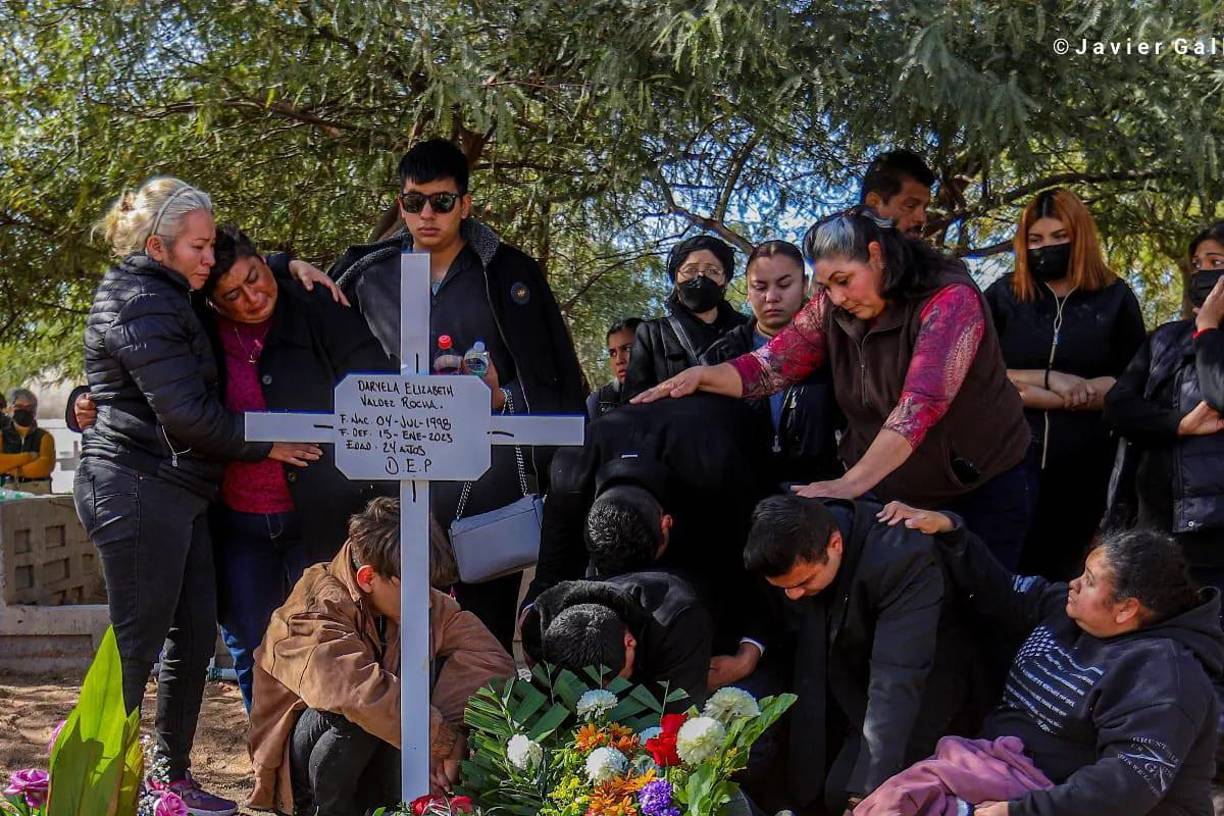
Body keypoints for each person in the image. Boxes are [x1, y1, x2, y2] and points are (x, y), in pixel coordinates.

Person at [79, 178, 320, 815]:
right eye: (199, 247)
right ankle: (92, 782)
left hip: (174, 491)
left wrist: (278, 263)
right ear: (158, 247)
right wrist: (265, 443)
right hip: (135, 489)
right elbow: (185, 414)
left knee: (190, 637)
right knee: (137, 645)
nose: (210, 259)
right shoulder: (140, 303)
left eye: (213, 244)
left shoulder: (167, 288)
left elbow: (235, 265)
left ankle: (168, 778)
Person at [636, 207, 1033, 569]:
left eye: (844, 280)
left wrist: (850, 484)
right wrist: (701, 376)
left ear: (877, 256)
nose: (837, 297)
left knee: (982, 607)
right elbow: (772, 364)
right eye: (827, 286)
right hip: (893, 490)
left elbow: (919, 406)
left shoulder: (949, 299)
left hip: (980, 487)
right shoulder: (832, 305)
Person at [318, 138, 586, 649]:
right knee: (391, 636)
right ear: (400, 204)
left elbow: (555, 379)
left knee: (479, 641)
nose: (427, 214)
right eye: (413, 201)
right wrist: (291, 268)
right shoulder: (365, 276)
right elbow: (316, 353)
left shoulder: (508, 275)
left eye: (442, 201)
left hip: (487, 485)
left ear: (465, 204)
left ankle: (479, 729)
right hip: (392, 485)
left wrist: (500, 399)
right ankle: (399, 731)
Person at [877, 503, 1222, 816]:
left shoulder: (1165, 675)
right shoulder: (1065, 607)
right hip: (994, 770)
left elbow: (1124, 788)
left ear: (1126, 609)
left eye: (1089, 582)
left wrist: (1017, 811)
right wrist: (951, 531)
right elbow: (1001, 591)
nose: (1073, 584)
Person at [200, 225, 395, 710]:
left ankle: (316, 760)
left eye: (256, 276)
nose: (253, 295)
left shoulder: (313, 301)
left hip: (318, 511)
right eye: (233, 294)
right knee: (253, 642)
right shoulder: (196, 329)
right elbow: (184, 406)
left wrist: (285, 262)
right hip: (238, 521)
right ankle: (270, 763)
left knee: (328, 639)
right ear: (213, 303)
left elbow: (375, 385)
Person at [248, 498, 514, 816]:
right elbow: (357, 693)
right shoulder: (314, 609)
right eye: (414, 588)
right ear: (367, 578)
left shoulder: (409, 591)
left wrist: (443, 735)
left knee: (410, 691)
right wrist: (440, 739)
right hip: (304, 768)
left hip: (376, 751)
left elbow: (490, 659)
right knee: (361, 709)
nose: (426, 601)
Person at [744, 494, 981, 815]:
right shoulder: (791, 532)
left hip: (918, 687)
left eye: (804, 582)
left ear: (835, 544)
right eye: (784, 587)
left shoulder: (901, 559)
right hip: (841, 674)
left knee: (841, 793)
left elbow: (897, 681)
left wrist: (865, 795)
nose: (794, 596)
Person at [524, 393, 776, 688]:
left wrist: (749, 651)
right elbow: (553, 563)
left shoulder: (718, 462)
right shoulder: (572, 468)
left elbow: (757, 560)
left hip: (716, 465)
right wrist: (535, 627)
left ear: (667, 524)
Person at [985, 189, 1146, 581]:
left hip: (1085, 468)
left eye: (1059, 237)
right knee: (999, 572)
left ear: (1080, 236)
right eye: (1035, 240)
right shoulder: (1004, 295)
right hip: (1007, 460)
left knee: (1063, 578)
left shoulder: (1115, 297)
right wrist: (1050, 381)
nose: (1047, 248)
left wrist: (1060, 396)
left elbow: (1133, 379)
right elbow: (979, 370)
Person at [1104, 221, 1224, 604]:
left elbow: (1219, 392)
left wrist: (1208, 331)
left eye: (1216, 261)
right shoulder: (1164, 339)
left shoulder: (1205, 335)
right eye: (1198, 263)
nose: (1204, 272)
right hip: (1156, 524)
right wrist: (1179, 425)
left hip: (1215, 528)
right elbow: (1118, 406)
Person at [704, 240, 844, 482]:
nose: (771, 297)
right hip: (743, 496)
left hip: (818, 492)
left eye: (784, 284)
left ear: (805, 285)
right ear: (747, 292)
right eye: (759, 287)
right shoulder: (721, 356)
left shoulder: (834, 348)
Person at [525, 573, 713, 708]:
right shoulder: (539, 625)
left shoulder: (678, 622)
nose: (599, 699)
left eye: (610, 685)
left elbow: (677, 711)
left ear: (629, 642)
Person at [623, 235, 750, 398]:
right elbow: (634, 403)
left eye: (712, 271)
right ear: (676, 278)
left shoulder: (748, 329)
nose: (700, 278)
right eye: (690, 270)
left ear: (725, 280)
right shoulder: (651, 333)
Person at [860, 149, 936, 239]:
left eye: (925, 209)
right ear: (874, 203)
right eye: (910, 206)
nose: (922, 219)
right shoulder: (843, 249)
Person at [0, 388, 56, 494]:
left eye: (29, 407)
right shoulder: (2, 435)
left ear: (34, 411)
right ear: (10, 409)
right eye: (19, 407)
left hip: (38, 489)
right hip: (8, 490)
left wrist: (11, 469)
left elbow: (44, 467)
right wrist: (29, 457)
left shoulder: (45, 437)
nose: (24, 411)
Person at [587, 317, 642, 419]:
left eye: (627, 349)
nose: (619, 360)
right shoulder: (599, 402)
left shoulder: (674, 391)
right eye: (613, 353)